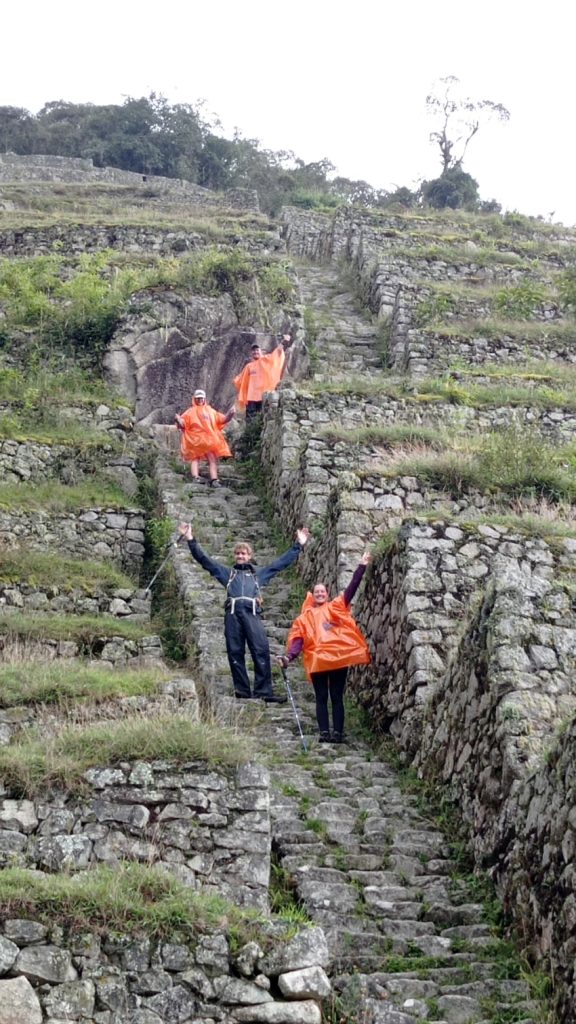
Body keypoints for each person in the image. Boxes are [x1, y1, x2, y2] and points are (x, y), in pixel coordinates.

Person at [178, 522, 310, 701]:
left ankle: (264, 691)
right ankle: (242, 691)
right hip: (233, 615)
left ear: (249, 556)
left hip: (251, 614)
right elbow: (205, 560)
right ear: (235, 556)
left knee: (261, 649)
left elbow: (280, 564)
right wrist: (190, 539)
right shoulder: (227, 574)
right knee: (235, 651)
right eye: (238, 553)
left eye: (243, 553)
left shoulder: (258, 575)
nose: (240, 556)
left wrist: (298, 545)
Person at [278, 552, 371, 743]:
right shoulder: (304, 618)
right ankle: (324, 733)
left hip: (337, 659)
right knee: (321, 697)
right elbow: (298, 642)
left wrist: (361, 566)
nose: (320, 593)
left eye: (323, 591)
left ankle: (337, 732)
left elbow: (351, 589)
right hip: (319, 661)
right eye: (317, 591)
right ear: (313, 595)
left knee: (336, 696)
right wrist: (289, 657)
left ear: (327, 594)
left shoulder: (336, 607)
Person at [175, 390, 235, 489]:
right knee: (198, 458)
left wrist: (230, 414)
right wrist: (178, 420)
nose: (200, 400)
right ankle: (200, 477)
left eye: (201, 398)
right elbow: (182, 424)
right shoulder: (191, 412)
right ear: (195, 399)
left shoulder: (210, 411)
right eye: (198, 398)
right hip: (198, 440)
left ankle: (213, 479)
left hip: (205, 441)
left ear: (204, 399)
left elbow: (223, 419)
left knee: (208, 459)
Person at [233, 334, 291, 420]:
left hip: (263, 396)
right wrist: (235, 381)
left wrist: (283, 342)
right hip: (251, 398)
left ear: (261, 351)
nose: (255, 352)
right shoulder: (249, 366)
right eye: (253, 351)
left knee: (262, 419)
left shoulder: (266, 360)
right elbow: (241, 380)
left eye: (257, 350)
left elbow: (277, 353)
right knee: (250, 421)